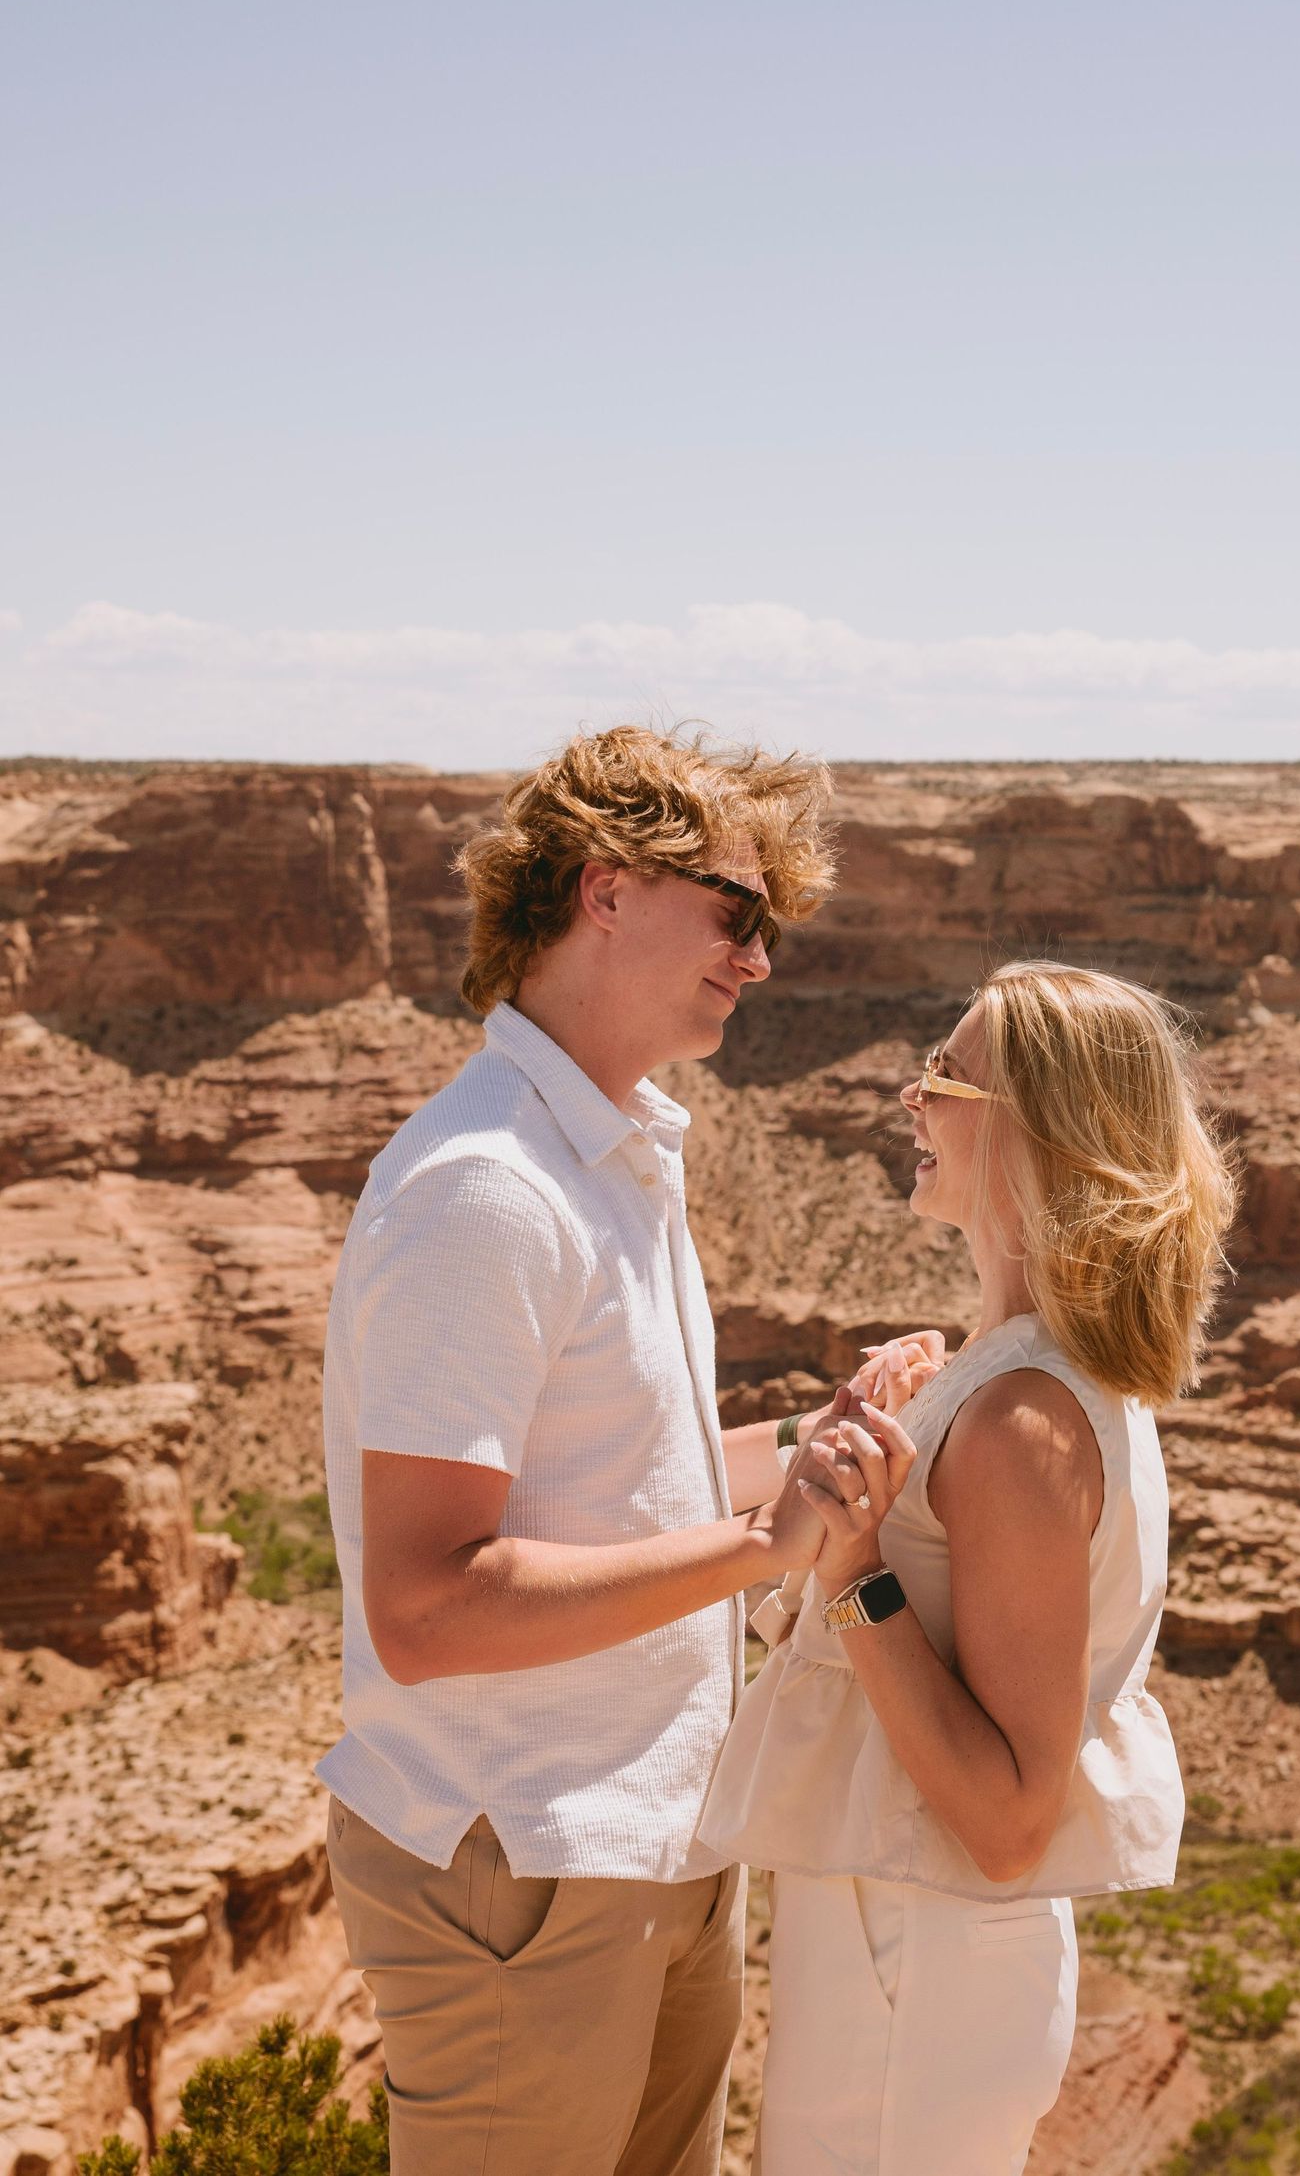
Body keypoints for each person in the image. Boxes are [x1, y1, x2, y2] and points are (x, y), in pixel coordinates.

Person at [318, 723, 848, 2175]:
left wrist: (823, 1440)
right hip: (524, 1863)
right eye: (736, 913)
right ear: (606, 891)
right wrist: (764, 1545)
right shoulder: (488, 1187)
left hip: (655, 1838)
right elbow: (425, 1607)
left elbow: (633, 1484)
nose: (757, 959)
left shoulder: (611, 1151)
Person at [700, 960, 1239, 2176]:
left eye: (946, 1077)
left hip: (927, 1961)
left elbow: (1006, 1822)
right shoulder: (1009, 1376)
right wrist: (830, 1437)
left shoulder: (1021, 1420)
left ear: (1039, 1134)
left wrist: (853, 1568)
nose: (910, 1097)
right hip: (902, 1937)